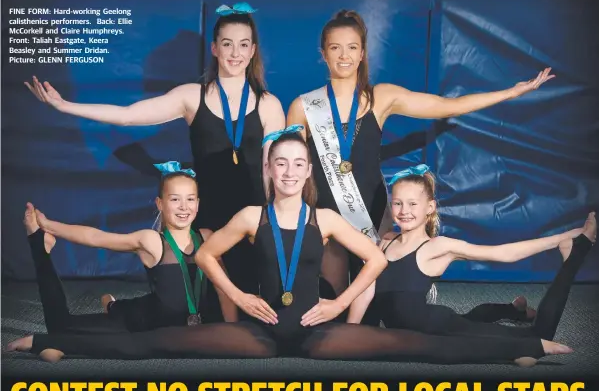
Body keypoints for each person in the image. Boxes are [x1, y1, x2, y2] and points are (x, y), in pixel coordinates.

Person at [7, 129, 572, 366]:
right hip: (257, 331)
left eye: (298, 164)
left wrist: (336, 303)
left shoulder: (323, 218)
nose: (288, 170)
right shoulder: (251, 214)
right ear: (269, 168)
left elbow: (376, 257)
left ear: (306, 173)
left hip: (319, 331)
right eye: (280, 162)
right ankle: (47, 340)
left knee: (415, 345)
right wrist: (235, 293)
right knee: (157, 343)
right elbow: (206, 255)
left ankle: (524, 350)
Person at [286, 10, 556, 321]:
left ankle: (508, 311)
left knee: (385, 315)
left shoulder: (381, 97)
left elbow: (445, 106)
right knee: (328, 313)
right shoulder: (303, 107)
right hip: (328, 220)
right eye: (335, 47)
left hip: (373, 218)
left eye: (351, 47)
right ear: (323, 54)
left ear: (362, 52)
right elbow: (290, 170)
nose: (343, 55)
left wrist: (512, 92)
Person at [25, 3, 286, 321]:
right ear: (215, 48)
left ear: (253, 49)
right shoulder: (191, 96)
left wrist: (274, 228)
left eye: (243, 44)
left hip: (251, 220)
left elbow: (272, 172)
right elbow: (127, 116)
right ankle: (115, 306)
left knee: (253, 317)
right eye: (228, 43)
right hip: (205, 221)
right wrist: (65, 106)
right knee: (186, 314)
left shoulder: (269, 104)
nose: (235, 52)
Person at [347, 164, 595, 341]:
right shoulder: (387, 242)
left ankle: (575, 253)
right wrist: (348, 331)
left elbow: (502, 254)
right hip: (420, 329)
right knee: (470, 318)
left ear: (430, 208)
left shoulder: (437, 246)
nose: (404, 211)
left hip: (441, 328)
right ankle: (512, 310)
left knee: (536, 337)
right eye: (398, 203)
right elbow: (365, 290)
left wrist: (564, 237)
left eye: (413, 204)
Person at [21, 162, 236, 334]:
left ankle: (111, 304)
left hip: (191, 321)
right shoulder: (151, 240)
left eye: (190, 199)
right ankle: (41, 248)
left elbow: (223, 289)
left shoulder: (207, 237)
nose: (183, 207)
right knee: (61, 328)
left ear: (198, 204)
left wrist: (231, 330)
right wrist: (49, 226)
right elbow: (96, 237)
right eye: (175, 199)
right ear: (160, 204)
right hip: (143, 321)